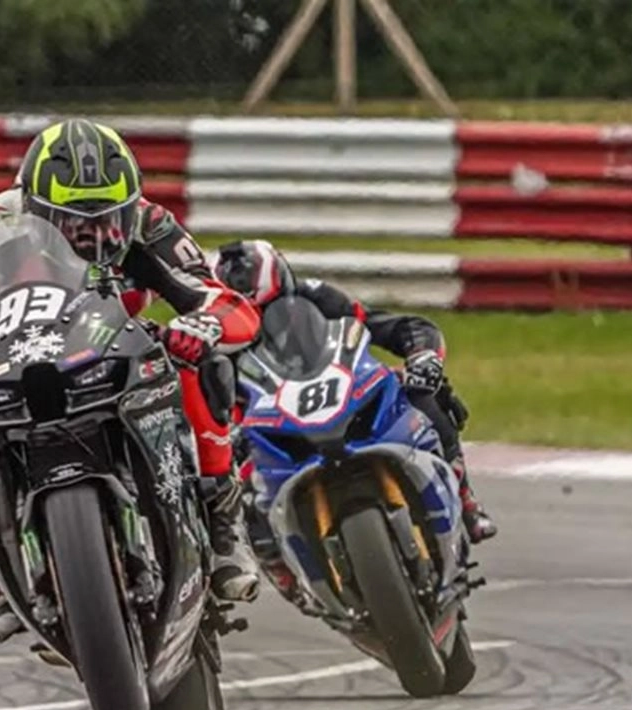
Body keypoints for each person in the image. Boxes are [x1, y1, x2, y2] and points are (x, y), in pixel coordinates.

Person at [0, 119, 261, 642]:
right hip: (17, 357)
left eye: (109, 220)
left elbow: (222, 299)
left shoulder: (150, 223)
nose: (95, 236)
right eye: (72, 224)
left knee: (207, 368)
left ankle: (223, 519)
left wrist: (203, 325)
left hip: (116, 345)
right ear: (34, 209)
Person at [213, 239, 498, 601]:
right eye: (248, 316)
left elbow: (396, 327)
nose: (260, 323)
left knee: (425, 391)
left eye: (268, 310)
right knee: (232, 485)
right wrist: (226, 434)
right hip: (273, 424)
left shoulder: (320, 299)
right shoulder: (219, 339)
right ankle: (284, 573)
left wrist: (423, 356)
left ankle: (465, 499)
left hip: (345, 391)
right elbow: (207, 407)